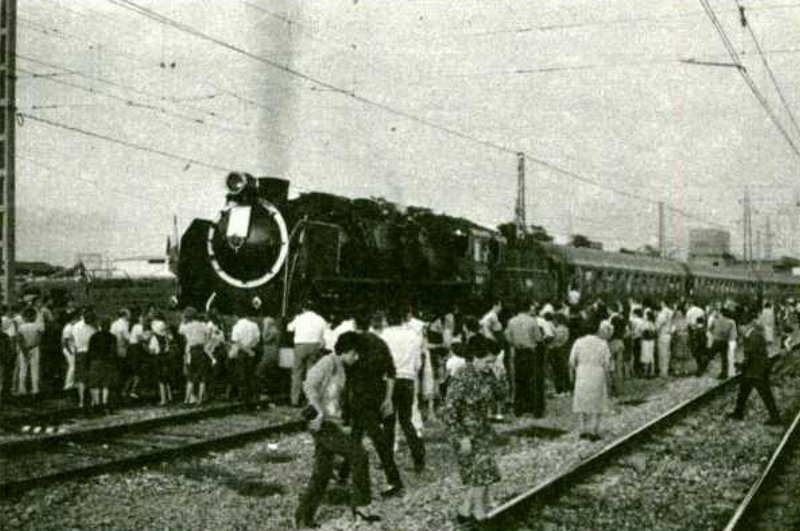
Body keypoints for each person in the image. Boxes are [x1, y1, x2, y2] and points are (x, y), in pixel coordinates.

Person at [295, 332, 380, 529]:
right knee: (359, 454)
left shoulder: (342, 366)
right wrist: (318, 411)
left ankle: (303, 517)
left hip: (329, 423)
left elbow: (335, 401)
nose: (356, 358)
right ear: (346, 351)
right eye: (354, 354)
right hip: (320, 422)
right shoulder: (329, 362)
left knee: (322, 472)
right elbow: (308, 384)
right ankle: (361, 508)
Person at [442, 330, 505, 523]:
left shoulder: (487, 374)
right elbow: (449, 412)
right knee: (480, 473)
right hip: (465, 433)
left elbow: (501, 396)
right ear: (475, 358)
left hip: (482, 429)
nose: (490, 365)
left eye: (492, 361)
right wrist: (461, 437)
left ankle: (465, 511)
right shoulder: (461, 376)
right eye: (487, 361)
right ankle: (479, 513)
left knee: (485, 471)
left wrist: (500, 376)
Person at [339, 311, 403, 497]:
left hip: (359, 398)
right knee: (357, 436)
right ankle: (343, 473)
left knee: (377, 440)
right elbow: (391, 371)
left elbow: (345, 376)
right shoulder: (380, 343)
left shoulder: (351, 344)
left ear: (354, 323)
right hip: (377, 395)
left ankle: (394, 479)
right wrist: (388, 398)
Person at [381, 309, 426, 473]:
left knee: (388, 422)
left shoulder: (384, 335)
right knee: (406, 420)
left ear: (387, 318)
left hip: (389, 380)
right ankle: (419, 457)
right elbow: (418, 363)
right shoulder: (413, 335)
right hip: (408, 379)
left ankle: (387, 459)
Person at [727, 309, 782, 425]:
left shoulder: (754, 336)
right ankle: (738, 412)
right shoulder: (751, 335)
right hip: (753, 369)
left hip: (758, 371)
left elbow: (751, 356)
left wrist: (741, 365)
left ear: (744, 326)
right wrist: (742, 366)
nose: (738, 330)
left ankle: (775, 417)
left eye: (739, 327)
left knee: (765, 394)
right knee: (743, 391)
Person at [569, 318, 612, 441]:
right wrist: (607, 376)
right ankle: (594, 430)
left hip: (582, 372)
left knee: (582, 400)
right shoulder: (603, 343)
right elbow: (607, 363)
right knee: (597, 401)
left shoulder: (578, 342)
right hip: (597, 372)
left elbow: (571, 361)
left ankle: (583, 429)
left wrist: (573, 373)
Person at [287, 301, 327, 407]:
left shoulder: (299, 318)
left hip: (300, 345)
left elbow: (289, 328)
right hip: (314, 346)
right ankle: (310, 401)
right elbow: (325, 332)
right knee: (311, 374)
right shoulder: (320, 319)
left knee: (297, 373)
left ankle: (294, 400)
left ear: (304, 309)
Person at [504, 300, 541, 415]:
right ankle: (532, 407)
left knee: (519, 380)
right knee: (531, 380)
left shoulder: (511, 321)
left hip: (518, 352)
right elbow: (538, 338)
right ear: (528, 308)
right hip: (529, 352)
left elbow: (508, 336)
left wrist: (514, 343)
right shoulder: (532, 321)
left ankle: (519, 408)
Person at [179, 307, 210, 405]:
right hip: (201, 350)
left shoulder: (186, 326)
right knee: (202, 377)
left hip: (191, 351)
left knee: (190, 376)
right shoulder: (202, 325)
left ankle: (186, 400)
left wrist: (182, 320)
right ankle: (200, 400)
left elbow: (180, 331)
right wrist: (205, 341)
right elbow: (209, 334)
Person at [87, 318, 119, 413]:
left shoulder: (94, 336)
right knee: (106, 384)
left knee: (94, 384)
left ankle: (96, 404)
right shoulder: (113, 337)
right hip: (108, 362)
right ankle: (105, 403)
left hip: (95, 361)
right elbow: (114, 352)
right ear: (109, 327)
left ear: (100, 326)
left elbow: (90, 351)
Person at [229, 309, 261, 403]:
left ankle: (242, 396)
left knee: (241, 374)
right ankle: (253, 396)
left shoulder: (236, 326)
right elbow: (257, 339)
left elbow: (237, 342)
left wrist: (245, 349)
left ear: (236, 316)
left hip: (242, 353)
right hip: (252, 351)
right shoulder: (254, 325)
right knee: (251, 373)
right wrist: (249, 349)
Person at [71, 307, 97, 409]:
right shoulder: (92, 328)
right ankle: (93, 400)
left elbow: (73, 339)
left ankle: (81, 401)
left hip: (79, 352)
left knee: (81, 379)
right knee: (91, 377)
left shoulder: (75, 326)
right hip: (89, 353)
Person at [670, 307, 692, 376]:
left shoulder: (675, 322)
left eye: (679, 313)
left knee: (679, 355)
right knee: (682, 355)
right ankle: (684, 370)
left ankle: (679, 370)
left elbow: (672, 330)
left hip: (679, 338)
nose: (678, 315)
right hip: (683, 338)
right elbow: (689, 329)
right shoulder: (686, 321)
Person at [655, 300, 674, 377]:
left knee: (662, 354)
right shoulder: (671, 312)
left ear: (663, 304)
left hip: (662, 334)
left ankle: (663, 371)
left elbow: (658, 326)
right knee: (668, 353)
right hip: (669, 334)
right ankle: (666, 369)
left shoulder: (662, 314)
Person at [640, 310, 656, 379]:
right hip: (652, 341)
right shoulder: (653, 323)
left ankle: (646, 372)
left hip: (646, 341)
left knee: (645, 356)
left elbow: (642, 331)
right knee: (651, 356)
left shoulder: (645, 323)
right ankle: (652, 371)